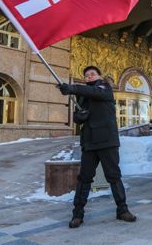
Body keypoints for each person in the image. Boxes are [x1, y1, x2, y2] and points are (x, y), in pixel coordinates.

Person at [56, 66, 136, 229]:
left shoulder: (104, 88)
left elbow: (96, 93)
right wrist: (80, 116)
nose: (89, 77)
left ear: (98, 76)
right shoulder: (83, 96)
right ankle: (77, 214)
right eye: (86, 76)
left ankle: (122, 210)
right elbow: (77, 118)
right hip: (89, 142)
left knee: (114, 176)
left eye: (92, 74)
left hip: (107, 141)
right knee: (84, 179)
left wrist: (73, 88)